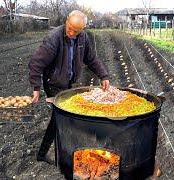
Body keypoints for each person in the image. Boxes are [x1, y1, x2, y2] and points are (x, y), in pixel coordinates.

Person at [28, 10, 110, 163]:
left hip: (68, 82)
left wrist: (103, 75)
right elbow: (36, 63)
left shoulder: (82, 37)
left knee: (61, 119)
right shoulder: (54, 38)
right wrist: (36, 87)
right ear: (66, 21)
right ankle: (61, 154)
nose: (72, 33)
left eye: (76, 30)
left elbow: (91, 58)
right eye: (70, 28)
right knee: (62, 118)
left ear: (82, 29)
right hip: (54, 83)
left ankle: (49, 153)